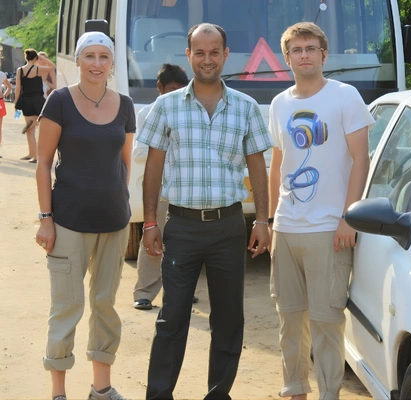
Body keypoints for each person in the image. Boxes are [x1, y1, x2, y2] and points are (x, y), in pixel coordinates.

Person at [137, 23, 272, 399]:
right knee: (172, 317)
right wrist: (149, 222)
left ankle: (218, 394)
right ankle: (159, 395)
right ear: (189, 56)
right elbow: (153, 167)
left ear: (226, 55)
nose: (207, 59)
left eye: (214, 52)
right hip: (181, 227)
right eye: (200, 52)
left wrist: (263, 219)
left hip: (228, 227)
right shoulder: (166, 106)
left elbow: (257, 167)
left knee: (228, 318)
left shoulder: (245, 107)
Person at [267, 22, 374, 400]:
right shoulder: (280, 104)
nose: (304, 55)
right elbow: (277, 165)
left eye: (310, 48)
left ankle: (329, 394)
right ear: (287, 58)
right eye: (296, 50)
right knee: (289, 320)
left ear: (324, 55)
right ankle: (295, 390)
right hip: (286, 228)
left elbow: (361, 159)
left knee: (327, 321)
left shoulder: (345, 96)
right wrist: (270, 221)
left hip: (329, 228)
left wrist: (349, 217)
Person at [35, 31, 135, 400]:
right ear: (77, 60)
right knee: (67, 306)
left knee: (105, 304)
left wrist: (121, 204)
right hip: (68, 221)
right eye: (89, 56)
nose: (96, 63)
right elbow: (43, 164)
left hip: (114, 222)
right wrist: (46, 218)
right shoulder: (59, 101)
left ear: (112, 63)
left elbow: (125, 162)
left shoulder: (125, 105)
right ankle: (58, 392)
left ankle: (101, 388)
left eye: (103, 56)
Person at [131, 63, 200, 310]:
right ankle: (144, 292)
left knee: (185, 243)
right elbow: (139, 152)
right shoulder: (147, 113)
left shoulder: (193, 113)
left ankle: (181, 290)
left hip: (187, 188)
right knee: (153, 237)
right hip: (160, 188)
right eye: (172, 89)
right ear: (159, 88)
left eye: (181, 89)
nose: (177, 94)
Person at [14, 48, 56, 163]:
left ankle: (33, 154)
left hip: (26, 100)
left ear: (26, 57)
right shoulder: (38, 69)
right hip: (38, 101)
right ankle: (36, 155)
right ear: (35, 58)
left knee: (30, 130)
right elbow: (53, 66)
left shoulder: (20, 70)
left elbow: (18, 88)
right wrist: (41, 57)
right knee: (38, 129)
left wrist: (17, 102)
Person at [0, 70, 12, 158]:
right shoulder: (2, 74)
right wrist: (4, 95)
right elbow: (9, 87)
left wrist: (4, 96)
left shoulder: (2, 74)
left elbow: (9, 87)